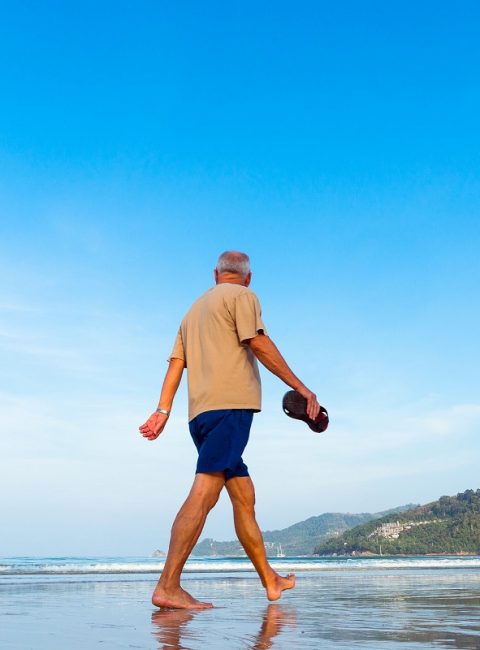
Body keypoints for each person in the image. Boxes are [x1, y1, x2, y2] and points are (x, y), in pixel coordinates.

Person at [139, 251, 320, 609]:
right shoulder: (243, 296)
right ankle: (168, 586)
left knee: (243, 496)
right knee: (204, 493)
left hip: (199, 416)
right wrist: (301, 387)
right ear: (248, 277)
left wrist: (162, 410)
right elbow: (258, 342)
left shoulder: (192, 312)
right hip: (230, 409)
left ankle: (270, 580)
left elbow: (176, 364)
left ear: (216, 274)